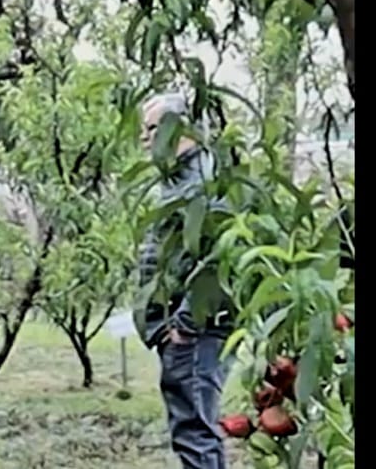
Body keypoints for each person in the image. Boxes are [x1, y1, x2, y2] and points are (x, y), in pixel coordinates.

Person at [135, 92, 233, 469]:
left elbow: (217, 259)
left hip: (196, 331)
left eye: (152, 129)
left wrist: (185, 326)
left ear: (182, 128)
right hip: (181, 328)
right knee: (191, 429)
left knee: (195, 431)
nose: (145, 138)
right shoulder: (179, 177)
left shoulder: (203, 181)